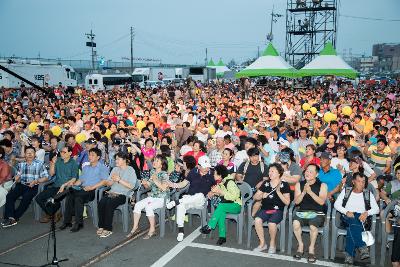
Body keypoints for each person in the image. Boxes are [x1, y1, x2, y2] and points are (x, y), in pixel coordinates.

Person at [334, 172, 379, 265]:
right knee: (353, 219)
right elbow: (336, 204)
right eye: (359, 181)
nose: (361, 184)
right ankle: (362, 246)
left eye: (363, 182)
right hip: (347, 217)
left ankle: (349, 254)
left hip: (362, 220)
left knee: (354, 223)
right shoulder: (346, 190)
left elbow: (376, 209)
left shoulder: (368, 193)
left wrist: (367, 213)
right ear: (353, 182)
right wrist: (346, 212)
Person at [59, 148, 109, 232]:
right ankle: (67, 221)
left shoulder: (102, 167)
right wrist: (74, 184)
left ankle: (79, 223)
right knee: (70, 194)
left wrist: (92, 187)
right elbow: (81, 180)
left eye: (93, 155)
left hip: (93, 191)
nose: (90, 156)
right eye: (89, 154)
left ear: (98, 157)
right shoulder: (86, 167)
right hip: (83, 189)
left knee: (78, 198)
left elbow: (105, 181)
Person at [167, 155, 215, 242]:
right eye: (205, 167)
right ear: (199, 166)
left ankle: (176, 202)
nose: (207, 169)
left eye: (208, 167)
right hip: (189, 198)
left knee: (200, 195)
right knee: (181, 206)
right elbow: (184, 183)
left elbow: (217, 186)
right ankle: (181, 231)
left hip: (202, 201)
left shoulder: (212, 173)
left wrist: (213, 192)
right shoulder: (193, 171)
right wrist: (174, 185)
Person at [2, 146, 49, 228]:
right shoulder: (21, 164)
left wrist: (36, 181)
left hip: (33, 185)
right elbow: (19, 178)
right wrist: (17, 178)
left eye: (32, 152)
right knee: (9, 196)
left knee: (26, 198)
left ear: (35, 154)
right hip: (22, 185)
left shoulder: (40, 164)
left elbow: (46, 177)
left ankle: (13, 217)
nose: (30, 154)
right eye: (28, 153)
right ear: (25, 155)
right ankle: (11, 217)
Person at [292, 164, 328, 263]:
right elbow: (296, 202)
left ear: (316, 174)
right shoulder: (299, 184)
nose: (308, 173)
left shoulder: (322, 185)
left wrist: (310, 192)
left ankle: (311, 248)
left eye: (311, 172)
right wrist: (303, 192)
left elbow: (321, 202)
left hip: (317, 212)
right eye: (307, 171)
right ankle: (301, 245)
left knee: (313, 226)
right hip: (303, 212)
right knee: (295, 223)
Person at [252, 163, 291, 253]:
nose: (270, 173)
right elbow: (255, 197)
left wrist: (278, 192)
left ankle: (272, 244)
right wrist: (262, 196)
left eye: (272, 171)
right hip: (265, 209)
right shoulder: (265, 183)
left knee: (271, 223)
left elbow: (287, 202)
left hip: (278, 210)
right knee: (257, 220)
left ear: (279, 173)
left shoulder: (284, 185)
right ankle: (262, 244)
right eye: (269, 171)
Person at [128, 155, 169, 239]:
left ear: (161, 165)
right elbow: (148, 187)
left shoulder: (165, 174)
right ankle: (135, 228)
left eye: (157, 161)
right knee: (137, 205)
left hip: (163, 198)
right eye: (154, 160)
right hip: (153, 196)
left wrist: (155, 180)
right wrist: (145, 183)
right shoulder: (152, 172)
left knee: (148, 207)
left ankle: (152, 229)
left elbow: (164, 188)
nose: (154, 162)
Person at [97, 152, 137, 238]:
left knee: (109, 203)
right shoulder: (115, 169)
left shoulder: (130, 170)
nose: (116, 161)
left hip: (124, 195)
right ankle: (101, 225)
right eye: (116, 159)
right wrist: (110, 181)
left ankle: (108, 229)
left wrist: (119, 180)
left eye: (118, 159)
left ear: (124, 160)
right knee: (102, 202)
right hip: (112, 192)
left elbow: (132, 186)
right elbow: (109, 183)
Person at [200, 164, 241, 245]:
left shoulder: (230, 182)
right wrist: (213, 193)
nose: (213, 175)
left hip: (236, 205)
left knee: (221, 207)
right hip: (226, 205)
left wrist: (220, 192)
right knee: (221, 212)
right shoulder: (221, 182)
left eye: (215, 173)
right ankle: (222, 237)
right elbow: (222, 195)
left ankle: (210, 226)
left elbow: (235, 196)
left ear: (220, 175)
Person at [35, 146, 79, 223]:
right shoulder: (58, 160)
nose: (61, 153)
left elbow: (74, 179)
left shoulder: (73, 163)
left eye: (64, 152)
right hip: (56, 185)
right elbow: (51, 174)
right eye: (61, 152)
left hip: (67, 187)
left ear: (70, 153)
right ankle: (52, 213)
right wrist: (53, 163)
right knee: (39, 198)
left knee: (55, 199)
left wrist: (64, 185)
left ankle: (51, 213)